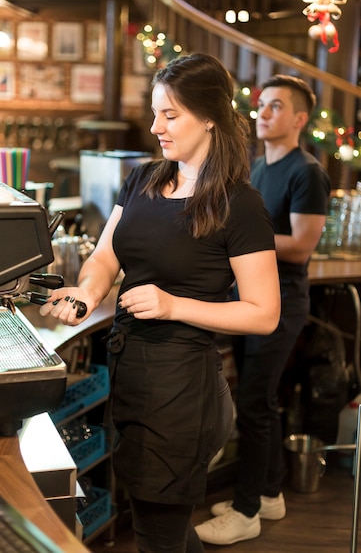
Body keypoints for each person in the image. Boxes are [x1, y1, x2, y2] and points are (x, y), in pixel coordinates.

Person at [40, 53, 281, 553]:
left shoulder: (239, 203)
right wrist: (87, 291)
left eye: (170, 115)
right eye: (155, 114)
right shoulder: (145, 178)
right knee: (161, 526)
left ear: (209, 116)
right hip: (131, 368)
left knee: (156, 531)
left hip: (183, 388)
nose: (156, 128)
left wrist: (175, 305)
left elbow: (264, 312)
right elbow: (106, 257)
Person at [195, 74, 331, 546]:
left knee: (255, 403)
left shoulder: (306, 171)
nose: (263, 114)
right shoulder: (256, 166)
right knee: (260, 402)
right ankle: (270, 493)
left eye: (275, 106)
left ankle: (247, 509)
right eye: (261, 105)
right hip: (248, 298)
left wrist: (241, 241)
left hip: (283, 301)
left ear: (299, 119)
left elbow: (300, 246)